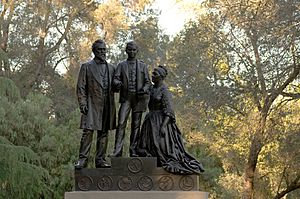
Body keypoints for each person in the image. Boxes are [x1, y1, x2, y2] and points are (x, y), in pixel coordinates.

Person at [137, 65, 205, 174]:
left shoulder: (165, 91)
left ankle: (162, 165)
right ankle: (151, 167)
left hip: (160, 121)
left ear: (161, 77)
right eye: (153, 73)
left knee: (161, 146)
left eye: (155, 74)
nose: (152, 75)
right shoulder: (151, 88)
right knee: (146, 146)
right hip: (150, 120)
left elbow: (169, 111)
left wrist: (163, 127)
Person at [75, 39, 116, 169]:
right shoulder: (86, 67)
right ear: (94, 51)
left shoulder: (111, 68)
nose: (103, 52)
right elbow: (81, 87)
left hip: (107, 105)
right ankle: (82, 159)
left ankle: (100, 160)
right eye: (100, 50)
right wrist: (82, 103)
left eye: (104, 50)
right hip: (92, 104)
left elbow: (116, 87)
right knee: (88, 132)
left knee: (103, 133)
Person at [111, 41, 151, 157]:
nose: (132, 52)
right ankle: (117, 151)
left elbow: (148, 82)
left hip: (139, 99)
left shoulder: (143, 66)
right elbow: (115, 79)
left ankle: (133, 150)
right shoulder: (121, 65)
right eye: (130, 50)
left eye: (134, 50)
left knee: (136, 125)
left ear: (137, 51)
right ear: (126, 51)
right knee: (121, 122)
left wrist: (144, 88)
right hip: (126, 98)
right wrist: (117, 83)